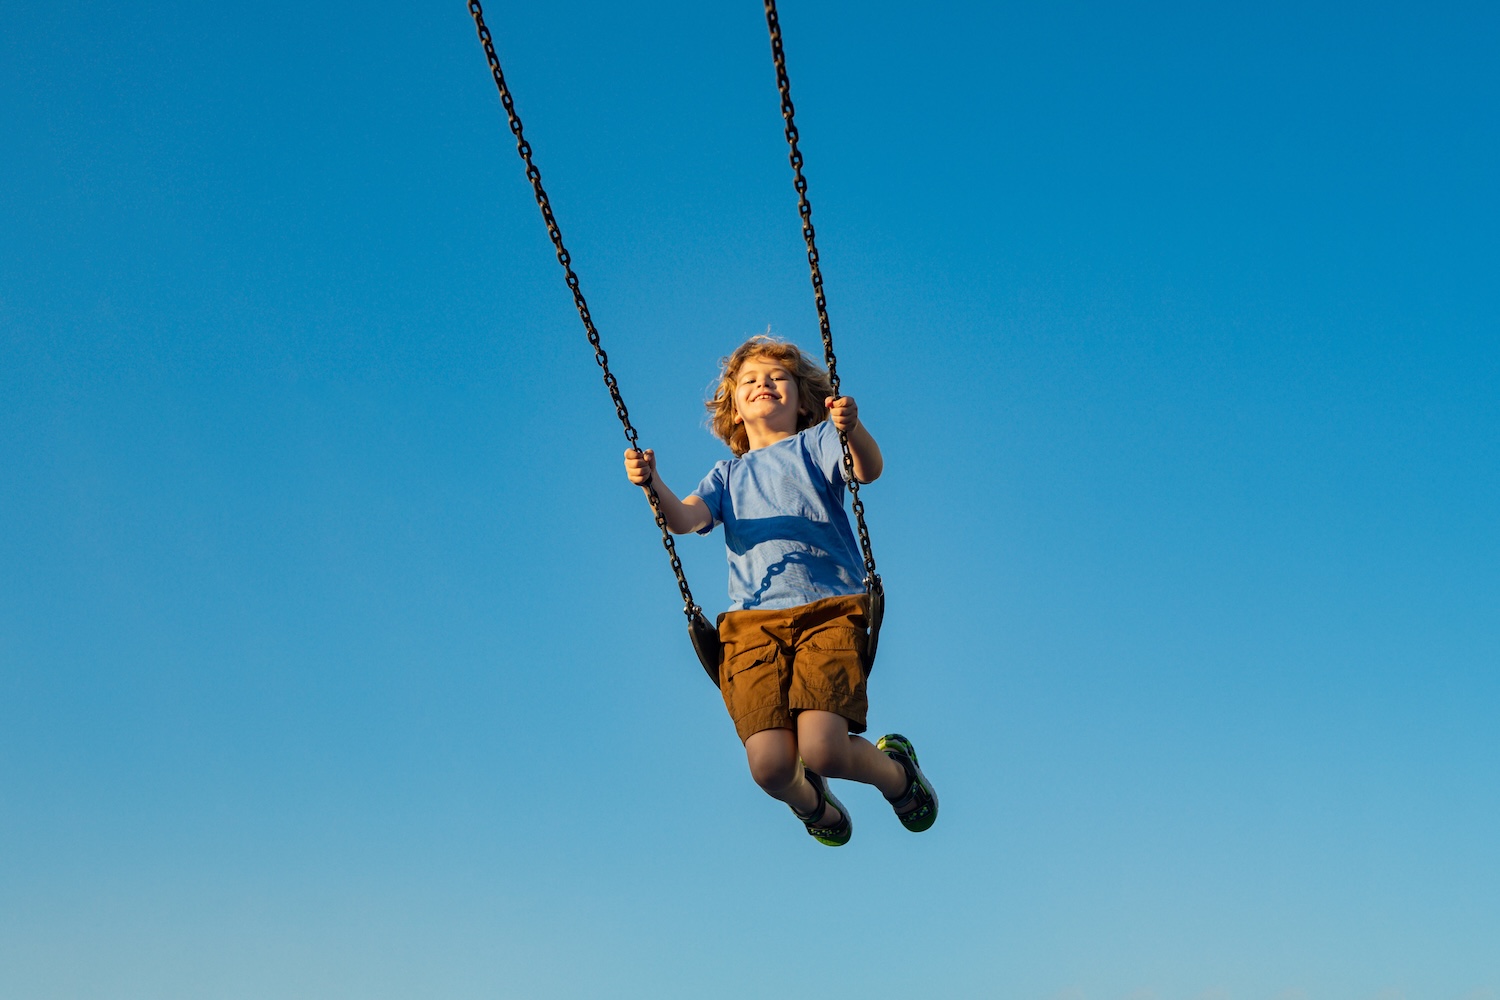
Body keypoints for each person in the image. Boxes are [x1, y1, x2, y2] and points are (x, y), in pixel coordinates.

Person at [623, 335, 936, 846]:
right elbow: (683, 518)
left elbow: (868, 470)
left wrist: (851, 429)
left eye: (777, 377)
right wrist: (652, 481)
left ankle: (896, 774)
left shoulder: (817, 445)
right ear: (734, 407)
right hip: (751, 629)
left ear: (803, 399)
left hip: (827, 612)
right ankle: (812, 801)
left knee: (825, 749)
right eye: (749, 380)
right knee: (769, 766)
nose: (763, 384)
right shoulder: (725, 475)